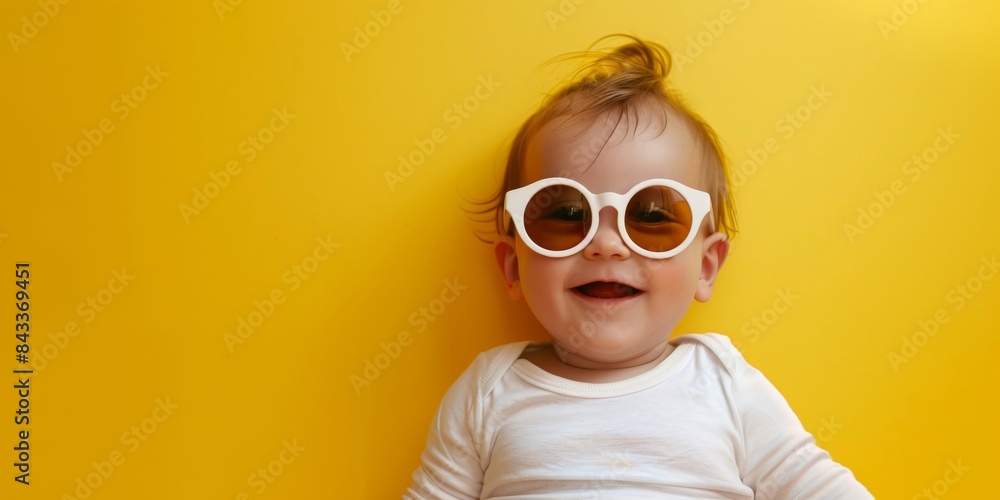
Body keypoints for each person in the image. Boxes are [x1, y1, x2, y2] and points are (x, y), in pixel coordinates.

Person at [405, 34, 872, 499]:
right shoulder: (488, 392)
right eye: (568, 215)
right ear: (513, 265)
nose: (607, 245)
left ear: (706, 266)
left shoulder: (724, 383)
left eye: (651, 217)